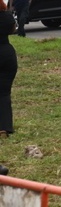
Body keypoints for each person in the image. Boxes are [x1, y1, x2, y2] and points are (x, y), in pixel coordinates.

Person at [0, 9, 18, 139]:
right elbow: (13, 30)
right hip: (7, 54)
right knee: (4, 93)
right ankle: (4, 128)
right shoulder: (7, 16)